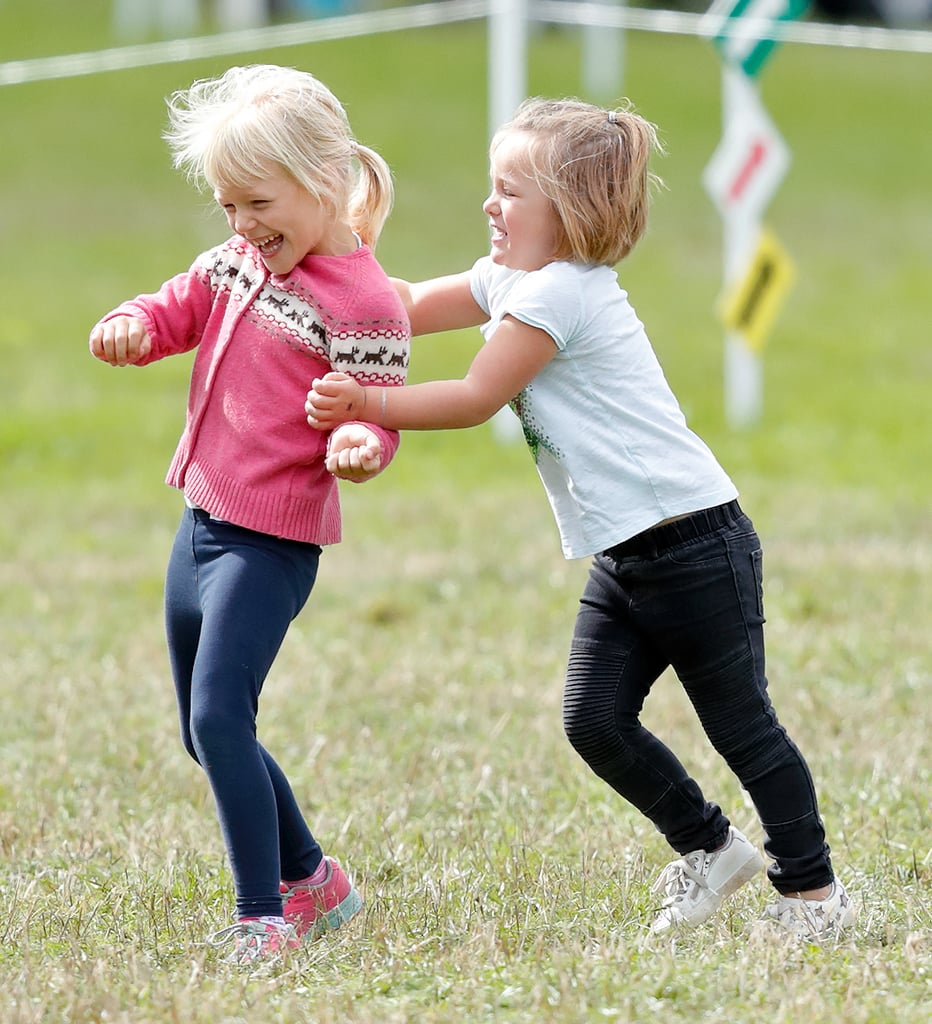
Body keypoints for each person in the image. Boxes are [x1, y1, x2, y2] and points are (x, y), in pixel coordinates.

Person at [305, 97, 855, 942]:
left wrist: (366, 400)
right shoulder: (513, 280)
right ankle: (711, 849)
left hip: (692, 541)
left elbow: (473, 395)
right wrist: (324, 267)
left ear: (573, 212)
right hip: (626, 551)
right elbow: (405, 302)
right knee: (593, 720)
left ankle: (818, 901)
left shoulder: (564, 294)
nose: (489, 205)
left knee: (744, 727)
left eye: (509, 190)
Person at [89, 64, 410, 964]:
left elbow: (378, 413)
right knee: (201, 734)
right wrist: (133, 323)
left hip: (269, 544)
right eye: (226, 206)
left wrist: (359, 446)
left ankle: (263, 918)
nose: (240, 226)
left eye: (256, 203)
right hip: (198, 526)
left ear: (322, 182)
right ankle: (316, 880)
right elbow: (175, 307)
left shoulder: (366, 304)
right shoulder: (235, 262)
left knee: (222, 716)